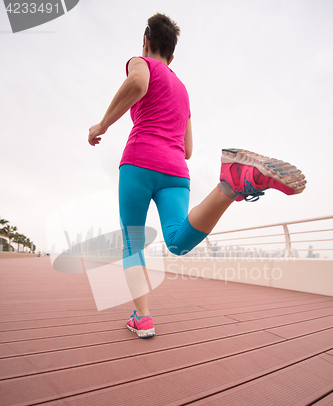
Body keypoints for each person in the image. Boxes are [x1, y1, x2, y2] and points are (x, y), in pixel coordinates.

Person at [88, 13, 306, 338]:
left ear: (146, 42)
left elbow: (137, 84)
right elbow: (188, 148)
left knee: (132, 243)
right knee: (176, 241)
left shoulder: (142, 63)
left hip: (139, 160)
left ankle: (143, 317)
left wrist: (101, 125)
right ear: (173, 55)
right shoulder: (183, 89)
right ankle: (229, 185)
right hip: (176, 170)